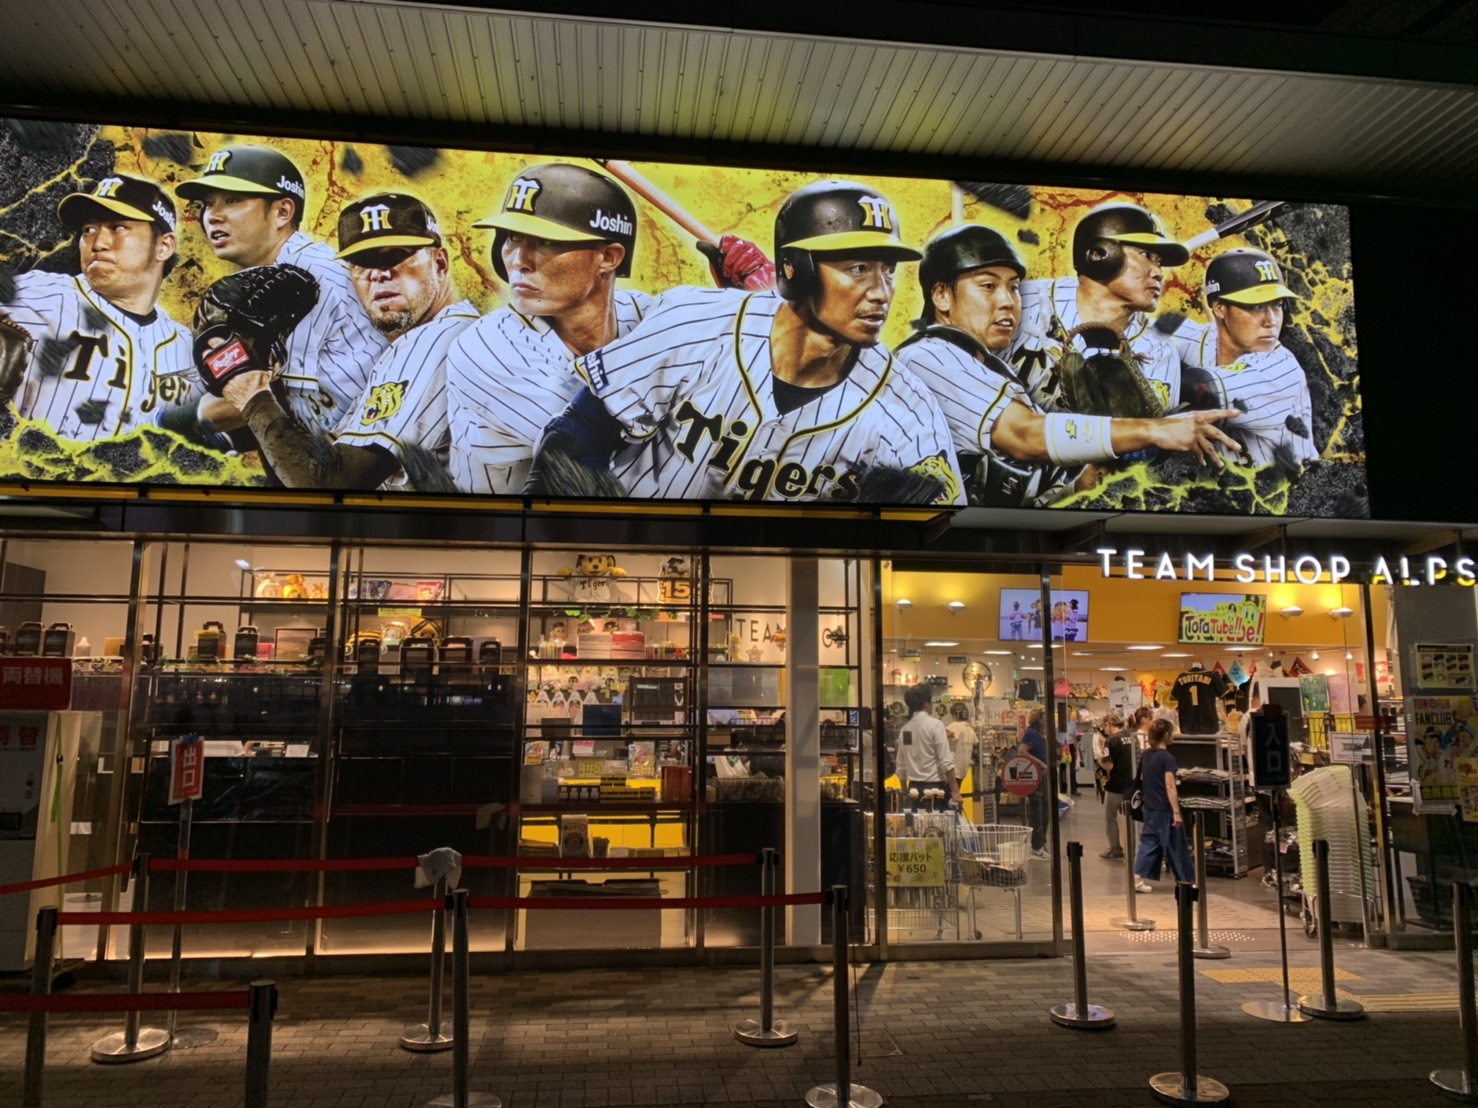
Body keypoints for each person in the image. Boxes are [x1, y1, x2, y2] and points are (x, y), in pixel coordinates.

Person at [526, 180, 965, 504]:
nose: (881, 292)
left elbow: (931, 525)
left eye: (887, 270)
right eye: (858, 268)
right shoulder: (694, 322)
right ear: (795, 269)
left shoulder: (906, 408)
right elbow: (573, 439)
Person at [444, 161, 774, 494]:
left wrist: (763, 313)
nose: (518, 260)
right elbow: (623, 463)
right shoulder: (488, 349)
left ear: (609, 257)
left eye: (545, 242)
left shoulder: (648, 314)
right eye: (513, 237)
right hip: (504, 536)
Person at [898, 224, 1237, 505]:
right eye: (988, 286)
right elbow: (1022, 435)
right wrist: (1152, 430)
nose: (1007, 301)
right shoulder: (927, 357)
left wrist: (1082, 484)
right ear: (942, 295)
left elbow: (1022, 494)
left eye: (1014, 288)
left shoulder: (988, 366)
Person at [212, 193, 477, 490]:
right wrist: (268, 381)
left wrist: (251, 396)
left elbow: (328, 485)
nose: (379, 274)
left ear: (439, 264)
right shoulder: (411, 348)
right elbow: (304, 474)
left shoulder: (442, 339)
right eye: (362, 262)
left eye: (396, 255)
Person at [175, 144, 388, 439]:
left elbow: (257, 399)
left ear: (283, 212)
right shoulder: (281, 269)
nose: (212, 216)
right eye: (208, 203)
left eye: (232, 200)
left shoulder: (308, 276)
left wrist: (160, 423)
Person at [0, 175, 197, 439]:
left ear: (163, 246)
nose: (98, 243)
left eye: (118, 227)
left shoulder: (185, 346)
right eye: (89, 230)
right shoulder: (39, 294)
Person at [1010, 203, 1191, 418]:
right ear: (1099, 254)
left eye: (1159, 262)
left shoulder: (1157, 352)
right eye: (1145, 255)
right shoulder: (1022, 300)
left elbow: (1154, 441)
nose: (1159, 273)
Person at [1165, 247, 1317, 471]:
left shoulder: (1282, 370)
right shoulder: (1201, 337)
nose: (1271, 320)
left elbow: (1201, 390)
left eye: (1277, 305)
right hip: (1222, 493)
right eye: (1256, 306)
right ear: (1219, 308)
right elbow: (1131, 327)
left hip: (1290, 496)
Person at [1134, 717, 1194, 887]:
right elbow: (1170, 786)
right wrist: (1176, 811)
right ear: (1167, 735)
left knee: (1149, 841)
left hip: (1149, 805)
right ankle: (1185, 880)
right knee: (1176, 845)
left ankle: (1137, 876)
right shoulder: (1167, 758)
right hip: (1164, 808)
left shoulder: (1146, 755)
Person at [895, 684, 960, 810]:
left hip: (913, 788)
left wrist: (905, 793)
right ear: (926, 704)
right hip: (936, 790)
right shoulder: (935, 725)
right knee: (937, 828)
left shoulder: (905, 729)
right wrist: (955, 791)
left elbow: (901, 766)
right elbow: (945, 761)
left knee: (916, 827)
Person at [1097, 713, 1133, 860]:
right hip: (1132, 785)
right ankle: (1132, 847)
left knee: (1110, 817)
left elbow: (1109, 765)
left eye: (1104, 726)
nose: (1104, 730)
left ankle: (1115, 848)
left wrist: (1099, 759)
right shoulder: (1132, 737)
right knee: (1130, 817)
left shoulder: (1111, 741)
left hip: (1116, 785)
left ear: (1109, 724)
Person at [1018, 706, 1051, 857]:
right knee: (1038, 811)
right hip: (1035, 776)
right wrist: (1040, 764)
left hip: (1042, 776)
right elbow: (1022, 751)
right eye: (1044, 716)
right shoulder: (1032, 733)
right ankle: (1036, 846)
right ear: (1039, 718)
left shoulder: (1040, 733)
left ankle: (1039, 843)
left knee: (1044, 811)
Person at [945, 701, 978, 799]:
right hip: (963, 770)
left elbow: (942, 735)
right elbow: (976, 742)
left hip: (951, 771)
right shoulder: (970, 730)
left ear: (955, 715)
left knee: (947, 801)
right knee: (955, 798)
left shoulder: (954, 726)